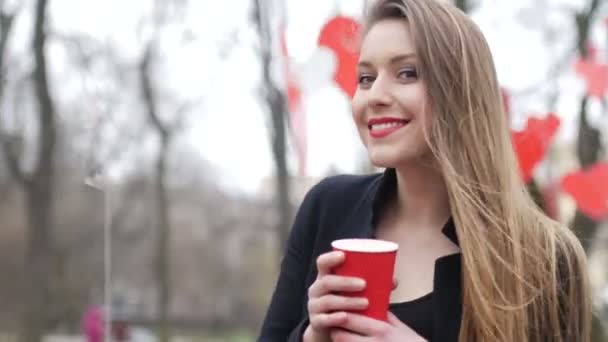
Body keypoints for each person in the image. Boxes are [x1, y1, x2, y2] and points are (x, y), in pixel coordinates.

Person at [258, 0, 592, 341]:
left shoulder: (544, 256)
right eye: (365, 78)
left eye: (407, 73)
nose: (374, 95)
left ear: (461, 90)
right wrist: (312, 336)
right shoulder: (327, 207)